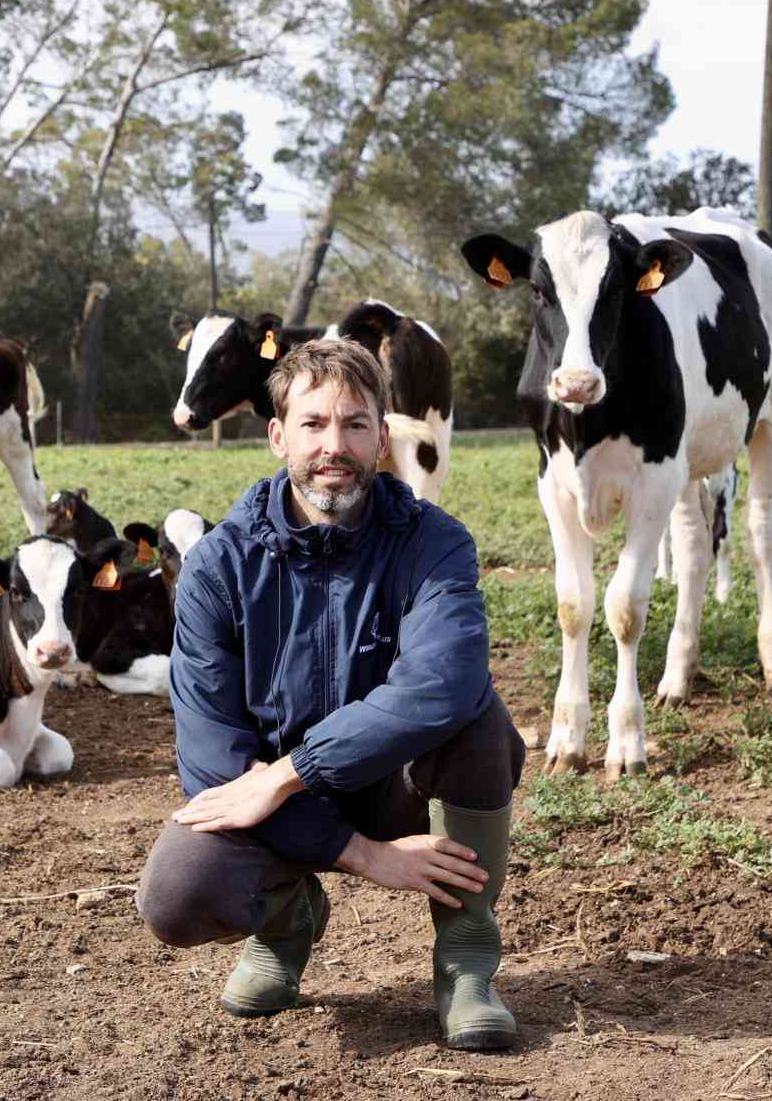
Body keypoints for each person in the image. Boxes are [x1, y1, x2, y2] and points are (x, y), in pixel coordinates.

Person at [135, 339, 526, 1051]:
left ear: (383, 436)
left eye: (354, 424)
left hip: (378, 781)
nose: (333, 446)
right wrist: (362, 854)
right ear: (279, 435)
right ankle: (286, 920)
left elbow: (444, 682)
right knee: (175, 894)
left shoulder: (434, 543)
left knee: (479, 724)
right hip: (272, 802)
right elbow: (213, 761)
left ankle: (467, 958)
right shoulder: (218, 567)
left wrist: (292, 773)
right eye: (313, 424)